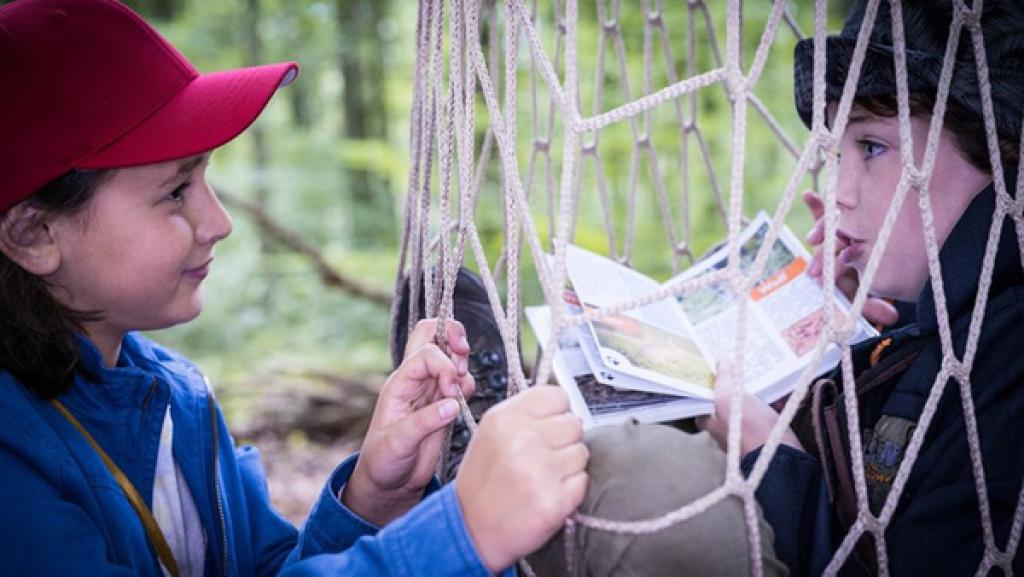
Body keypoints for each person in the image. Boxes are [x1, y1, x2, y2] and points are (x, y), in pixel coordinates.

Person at [0, 1, 588, 575]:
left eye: (205, 176)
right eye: (175, 191)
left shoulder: (176, 398)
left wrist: (371, 500)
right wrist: (458, 538)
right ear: (34, 234)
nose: (219, 223)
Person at [700, 0, 1024, 575]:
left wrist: (771, 462)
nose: (841, 191)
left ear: (1000, 154)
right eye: (835, 153)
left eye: (871, 147)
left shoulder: (1005, 358)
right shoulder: (932, 323)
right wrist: (839, 357)